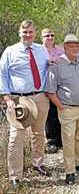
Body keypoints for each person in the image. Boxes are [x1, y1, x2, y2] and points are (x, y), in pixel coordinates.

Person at [0, 20, 50, 187]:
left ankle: (38, 163)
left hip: (40, 97)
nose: (28, 35)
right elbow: (3, 75)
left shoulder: (42, 50)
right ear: (19, 32)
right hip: (19, 100)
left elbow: (49, 69)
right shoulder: (10, 52)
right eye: (24, 32)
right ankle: (15, 175)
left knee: (39, 133)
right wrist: (7, 99)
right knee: (16, 137)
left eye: (30, 32)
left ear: (35, 33)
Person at [45, 34, 79, 185]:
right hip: (67, 109)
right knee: (68, 140)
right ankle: (70, 171)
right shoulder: (57, 65)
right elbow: (50, 91)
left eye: (76, 45)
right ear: (64, 48)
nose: (74, 48)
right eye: (70, 46)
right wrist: (60, 106)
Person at [41, 28, 64, 153]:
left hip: (59, 87)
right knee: (49, 115)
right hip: (44, 88)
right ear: (42, 37)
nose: (49, 37)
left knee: (59, 112)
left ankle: (61, 140)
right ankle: (52, 141)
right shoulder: (38, 51)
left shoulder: (60, 50)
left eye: (51, 35)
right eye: (46, 35)